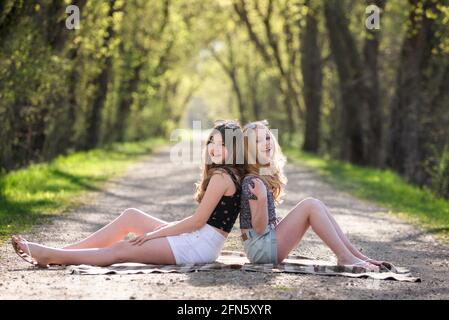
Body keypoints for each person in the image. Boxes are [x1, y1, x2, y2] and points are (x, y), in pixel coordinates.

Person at [11, 120, 244, 268]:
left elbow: (196, 221)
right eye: (212, 141)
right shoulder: (226, 174)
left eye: (222, 144)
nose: (214, 148)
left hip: (199, 246)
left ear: (233, 149)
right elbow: (198, 223)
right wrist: (160, 233)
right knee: (131, 216)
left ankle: (51, 256)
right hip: (200, 239)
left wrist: (155, 235)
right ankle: (61, 252)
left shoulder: (221, 176)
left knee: (122, 250)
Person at [239, 120, 382, 270]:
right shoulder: (253, 181)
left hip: (265, 245)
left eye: (267, 138)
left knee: (316, 204)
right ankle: (345, 257)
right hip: (261, 250)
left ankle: (356, 256)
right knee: (311, 205)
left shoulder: (262, 175)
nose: (266, 143)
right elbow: (259, 229)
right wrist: (261, 198)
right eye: (258, 141)